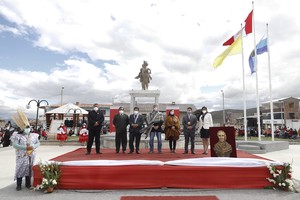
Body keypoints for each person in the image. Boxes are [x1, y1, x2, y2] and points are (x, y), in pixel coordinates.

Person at [11, 110, 40, 191]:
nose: (28, 129)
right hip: (21, 156)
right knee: (20, 169)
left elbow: (38, 143)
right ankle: (19, 185)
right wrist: (25, 148)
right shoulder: (17, 136)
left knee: (29, 169)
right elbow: (15, 145)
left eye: (28, 127)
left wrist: (34, 146)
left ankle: (28, 184)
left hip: (31, 155)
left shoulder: (34, 135)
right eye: (26, 127)